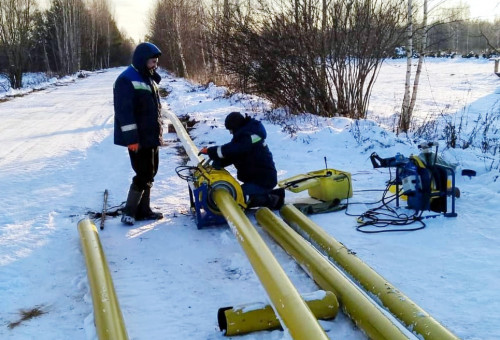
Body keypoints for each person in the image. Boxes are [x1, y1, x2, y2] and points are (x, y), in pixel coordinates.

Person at [113, 42, 164, 225]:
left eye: (156, 62)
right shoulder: (126, 80)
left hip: (151, 136)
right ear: (143, 60)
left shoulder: (147, 77)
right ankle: (130, 211)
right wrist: (131, 139)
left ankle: (144, 210)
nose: (155, 65)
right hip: (138, 139)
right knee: (143, 173)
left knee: (151, 172)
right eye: (152, 62)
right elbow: (124, 114)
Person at [200, 112, 284, 209]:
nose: (230, 132)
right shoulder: (245, 136)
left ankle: (273, 198)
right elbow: (233, 155)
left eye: (230, 129)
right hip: (255, 179)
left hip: (263, 180)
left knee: (239, 199)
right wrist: (218, 163)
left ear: (235, 127)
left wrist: (211, 151)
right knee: (237, 196)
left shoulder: (248, 138)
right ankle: (259, 194)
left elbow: (233, 149)